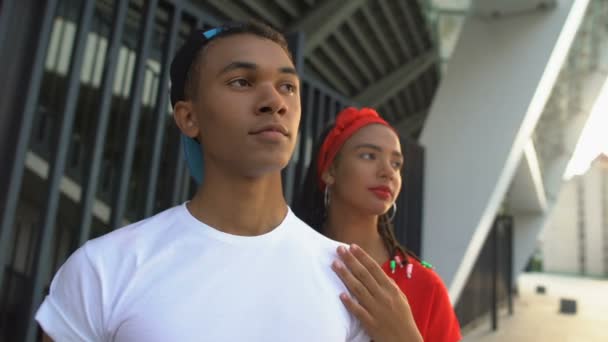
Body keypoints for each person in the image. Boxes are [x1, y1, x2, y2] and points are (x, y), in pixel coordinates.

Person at [36, 22, 369, 341]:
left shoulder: (348, 280)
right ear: (188, 117)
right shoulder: (104, 268)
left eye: (287, 86)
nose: (275, 102)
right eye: (242, 81)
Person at [294, 107, 462, 342]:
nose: (387, 172)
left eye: (396, 164)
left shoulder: (426, 286)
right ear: (330, 170)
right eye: (368, 156)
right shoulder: (293, 263)